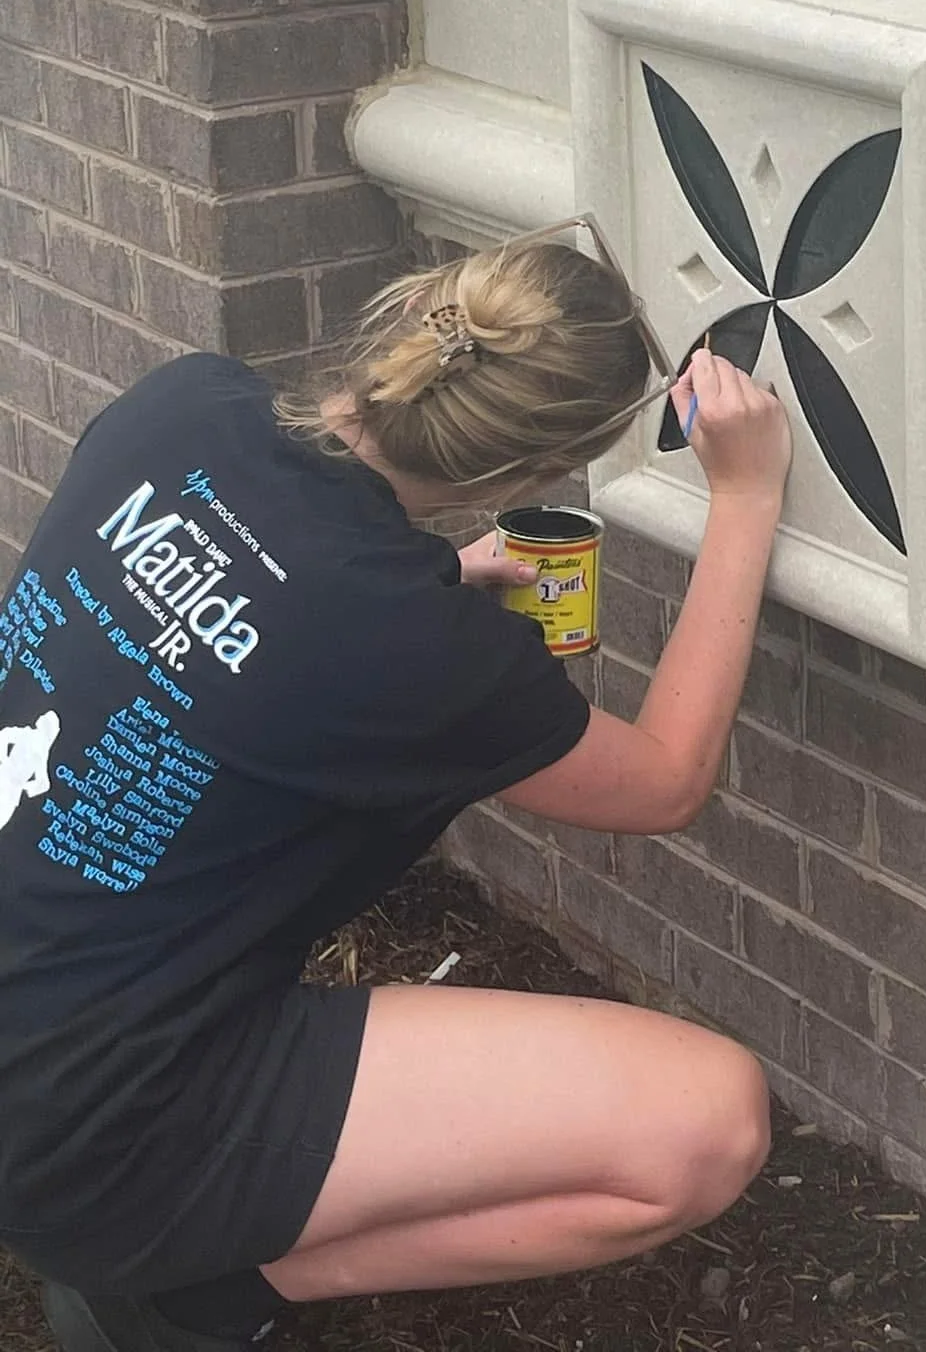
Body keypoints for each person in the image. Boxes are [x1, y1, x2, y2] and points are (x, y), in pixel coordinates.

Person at [0, 221, 791, 1352]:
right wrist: (746, 499)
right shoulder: (413, 651)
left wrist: (432, 579)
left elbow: (252, 598)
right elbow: (666, 780)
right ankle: (186, 1293)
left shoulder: (182, 406)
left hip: (33, 1006)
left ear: (413, 314)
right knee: (704, 1125)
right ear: (523, 478)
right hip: (81, 1119)